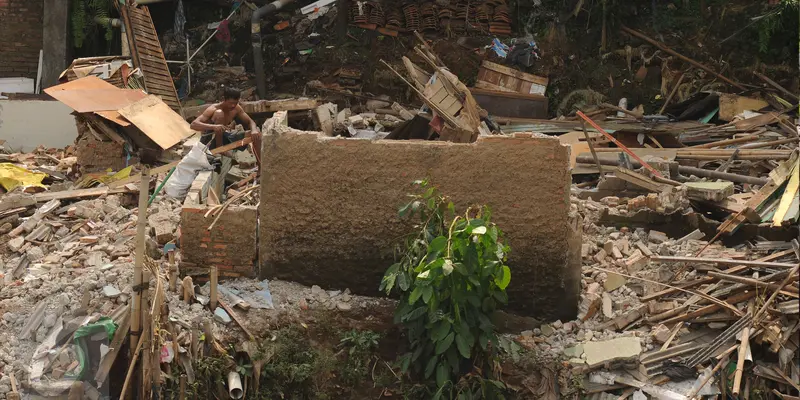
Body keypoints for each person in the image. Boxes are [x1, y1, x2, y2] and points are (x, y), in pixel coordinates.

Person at [190, 87, 261, 166]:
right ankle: (220, 149)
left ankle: (260, 168)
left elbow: (250, 121)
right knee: (219, 113)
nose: (233, 105)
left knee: (256, 133)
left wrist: (254, 130)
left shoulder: (236, 108)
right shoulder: (213, 108)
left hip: (225, 136)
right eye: (231, 103)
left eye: (235, 102)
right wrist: (213, 127)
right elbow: (193, 125)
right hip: (210, 141)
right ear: (224, 99)